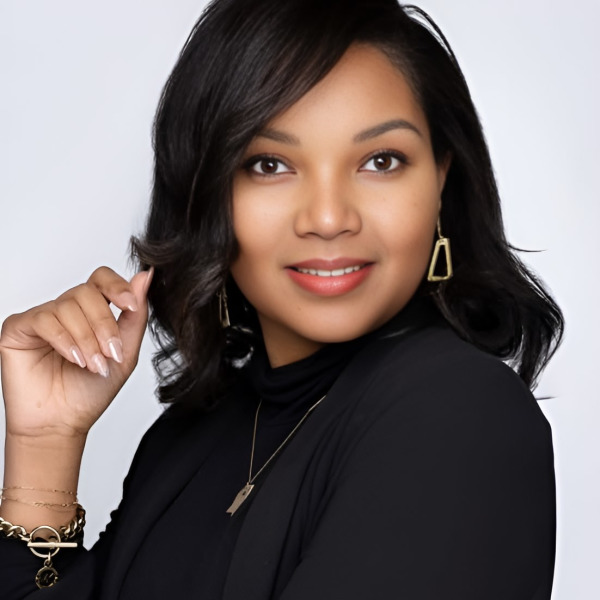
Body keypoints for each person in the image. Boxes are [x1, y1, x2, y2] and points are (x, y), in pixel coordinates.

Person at [0, 0, 564, 598]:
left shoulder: (459, 415)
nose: (329, 218)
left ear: (441, 179)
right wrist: (45, 443)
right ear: (206, 193)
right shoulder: (195, 432)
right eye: (270, 165)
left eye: (380, 161)